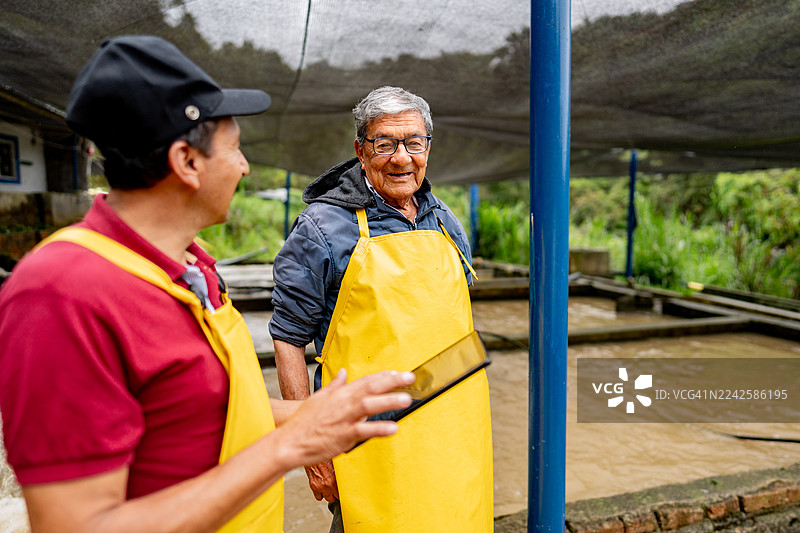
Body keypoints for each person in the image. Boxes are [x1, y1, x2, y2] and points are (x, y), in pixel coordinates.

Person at [0, 36, 416, 533]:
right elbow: (78, 525)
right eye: (235, 148)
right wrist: (288, 447)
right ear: (187, 162)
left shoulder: (191, 269)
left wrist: (311, 413)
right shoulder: (61, 295)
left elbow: (204, 403)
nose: (243, 166)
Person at [269, 86, 493, 532]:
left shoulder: (445, 220)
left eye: (413, 142)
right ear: (361, 150)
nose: (401, 157)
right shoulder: (321, 228)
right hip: (371, 445)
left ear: (428, 146)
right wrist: (313, 447)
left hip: (454, 437)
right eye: (385, 143)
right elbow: (289, 339)